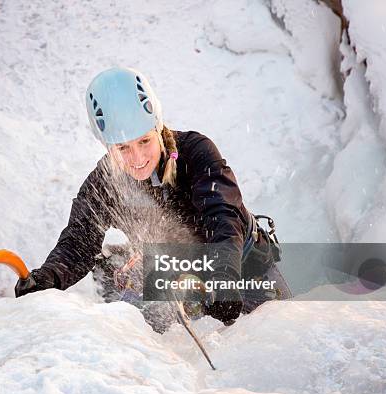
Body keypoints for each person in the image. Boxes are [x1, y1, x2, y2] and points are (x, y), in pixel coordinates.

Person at [15, 67, 291, 327]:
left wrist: (225, 278)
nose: (136, 159)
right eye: (122, 147)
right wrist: (47, 279)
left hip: (243, 270)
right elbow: (79, 240)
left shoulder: (196, 153)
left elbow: (222, 216)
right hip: (179, 281)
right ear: (106, 145)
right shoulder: (105, 182)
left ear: (157, 127)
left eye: (144, 141)